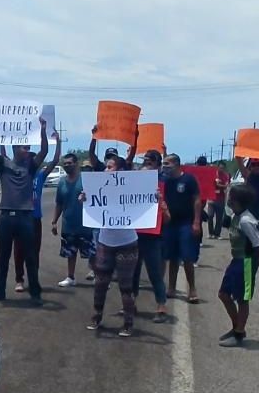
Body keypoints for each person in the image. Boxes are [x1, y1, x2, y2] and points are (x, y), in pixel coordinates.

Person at [0, 118, 49, 305]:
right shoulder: (3, 163)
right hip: (6, 217)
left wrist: (43, 130)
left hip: (26, 217)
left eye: (28, 148)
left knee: (30, 257)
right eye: (24, 148)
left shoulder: (31, 165)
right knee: (3, 256)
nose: (27, 150)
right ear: (15, 149)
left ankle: (35, 294)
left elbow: (44, 151)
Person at [85, 136, 139, 337]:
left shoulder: (131, 188)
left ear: (120, 171)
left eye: (110, 167)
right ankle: (96, 316)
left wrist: (155, 198)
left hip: (127, 243)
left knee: (125, 286)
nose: (106, 170)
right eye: (106, 167)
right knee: (100, 283)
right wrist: (85, 199)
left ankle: (128, 323)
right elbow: (92, 208)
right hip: (105, 242)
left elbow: (144, 201)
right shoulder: (99, 188)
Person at [218, 183, 259, 347]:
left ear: (239, 201)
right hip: (236, 260)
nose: (229, 201)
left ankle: (239, 332)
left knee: (242, 299)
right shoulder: (235, 216)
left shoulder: (246, 221)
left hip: (245, 262)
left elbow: (258, 242)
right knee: (223, 294)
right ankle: (236, 326)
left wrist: (258, 259)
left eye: (231, 198)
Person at [13, 131, 61, 292]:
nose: (32, 160)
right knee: (19, 250)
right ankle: (19, 279)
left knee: (34, 251)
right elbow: (7, 156)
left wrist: (58, 143)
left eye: (34, 159)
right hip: (21, 217)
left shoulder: (40, 176)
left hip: (35, 219)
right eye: (29, 158)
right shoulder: (19, 174)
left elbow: (54, 161)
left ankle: (34, 279)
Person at [132, 150, 170, 323]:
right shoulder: (133, 180)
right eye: (145, 160)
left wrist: (162, 204)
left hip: (153, 235)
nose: (147, 163)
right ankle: (130, 302)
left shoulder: (163, 183)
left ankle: (161, 306)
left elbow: (168, 216)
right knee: (133, 271)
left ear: (157, 164)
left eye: (151, 161)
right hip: (134, 233)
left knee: (154, 271)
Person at [161, 153, 203, 303]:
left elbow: (197, 200)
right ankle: (171, 287)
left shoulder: (188, 179)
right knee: (172, 257)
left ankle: (192, 289)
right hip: (170, 224)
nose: (164, 167)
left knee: (187, 257)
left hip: (186, 223)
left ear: (177, 164)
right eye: (163, 163)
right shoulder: (164, 181)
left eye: (167, 164)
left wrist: (196, 222)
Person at [51, 151, 93, 287]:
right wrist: (54, 221)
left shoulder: (86, 180)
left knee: (93, 253)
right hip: (68, 224)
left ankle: (98, 276)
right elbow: (59, 203)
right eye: (65, 164)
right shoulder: (62, 182)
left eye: (69, 163)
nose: (67, 166)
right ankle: (70, 277)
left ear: (76, 164)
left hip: (86, 225)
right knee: (70, 253)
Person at [210, 161, 232, 239]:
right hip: (211, 199)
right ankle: (211, 233)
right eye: (220, 167)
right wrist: (220, 185)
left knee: (219, 218)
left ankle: (217, 234)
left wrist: (219, 185)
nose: (221, 169)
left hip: (220, 199)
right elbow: (211, 184)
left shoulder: (226, 176)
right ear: (217, 167)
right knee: (210, 216)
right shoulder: (213, 174)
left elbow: (226, 185)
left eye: (223, 168)